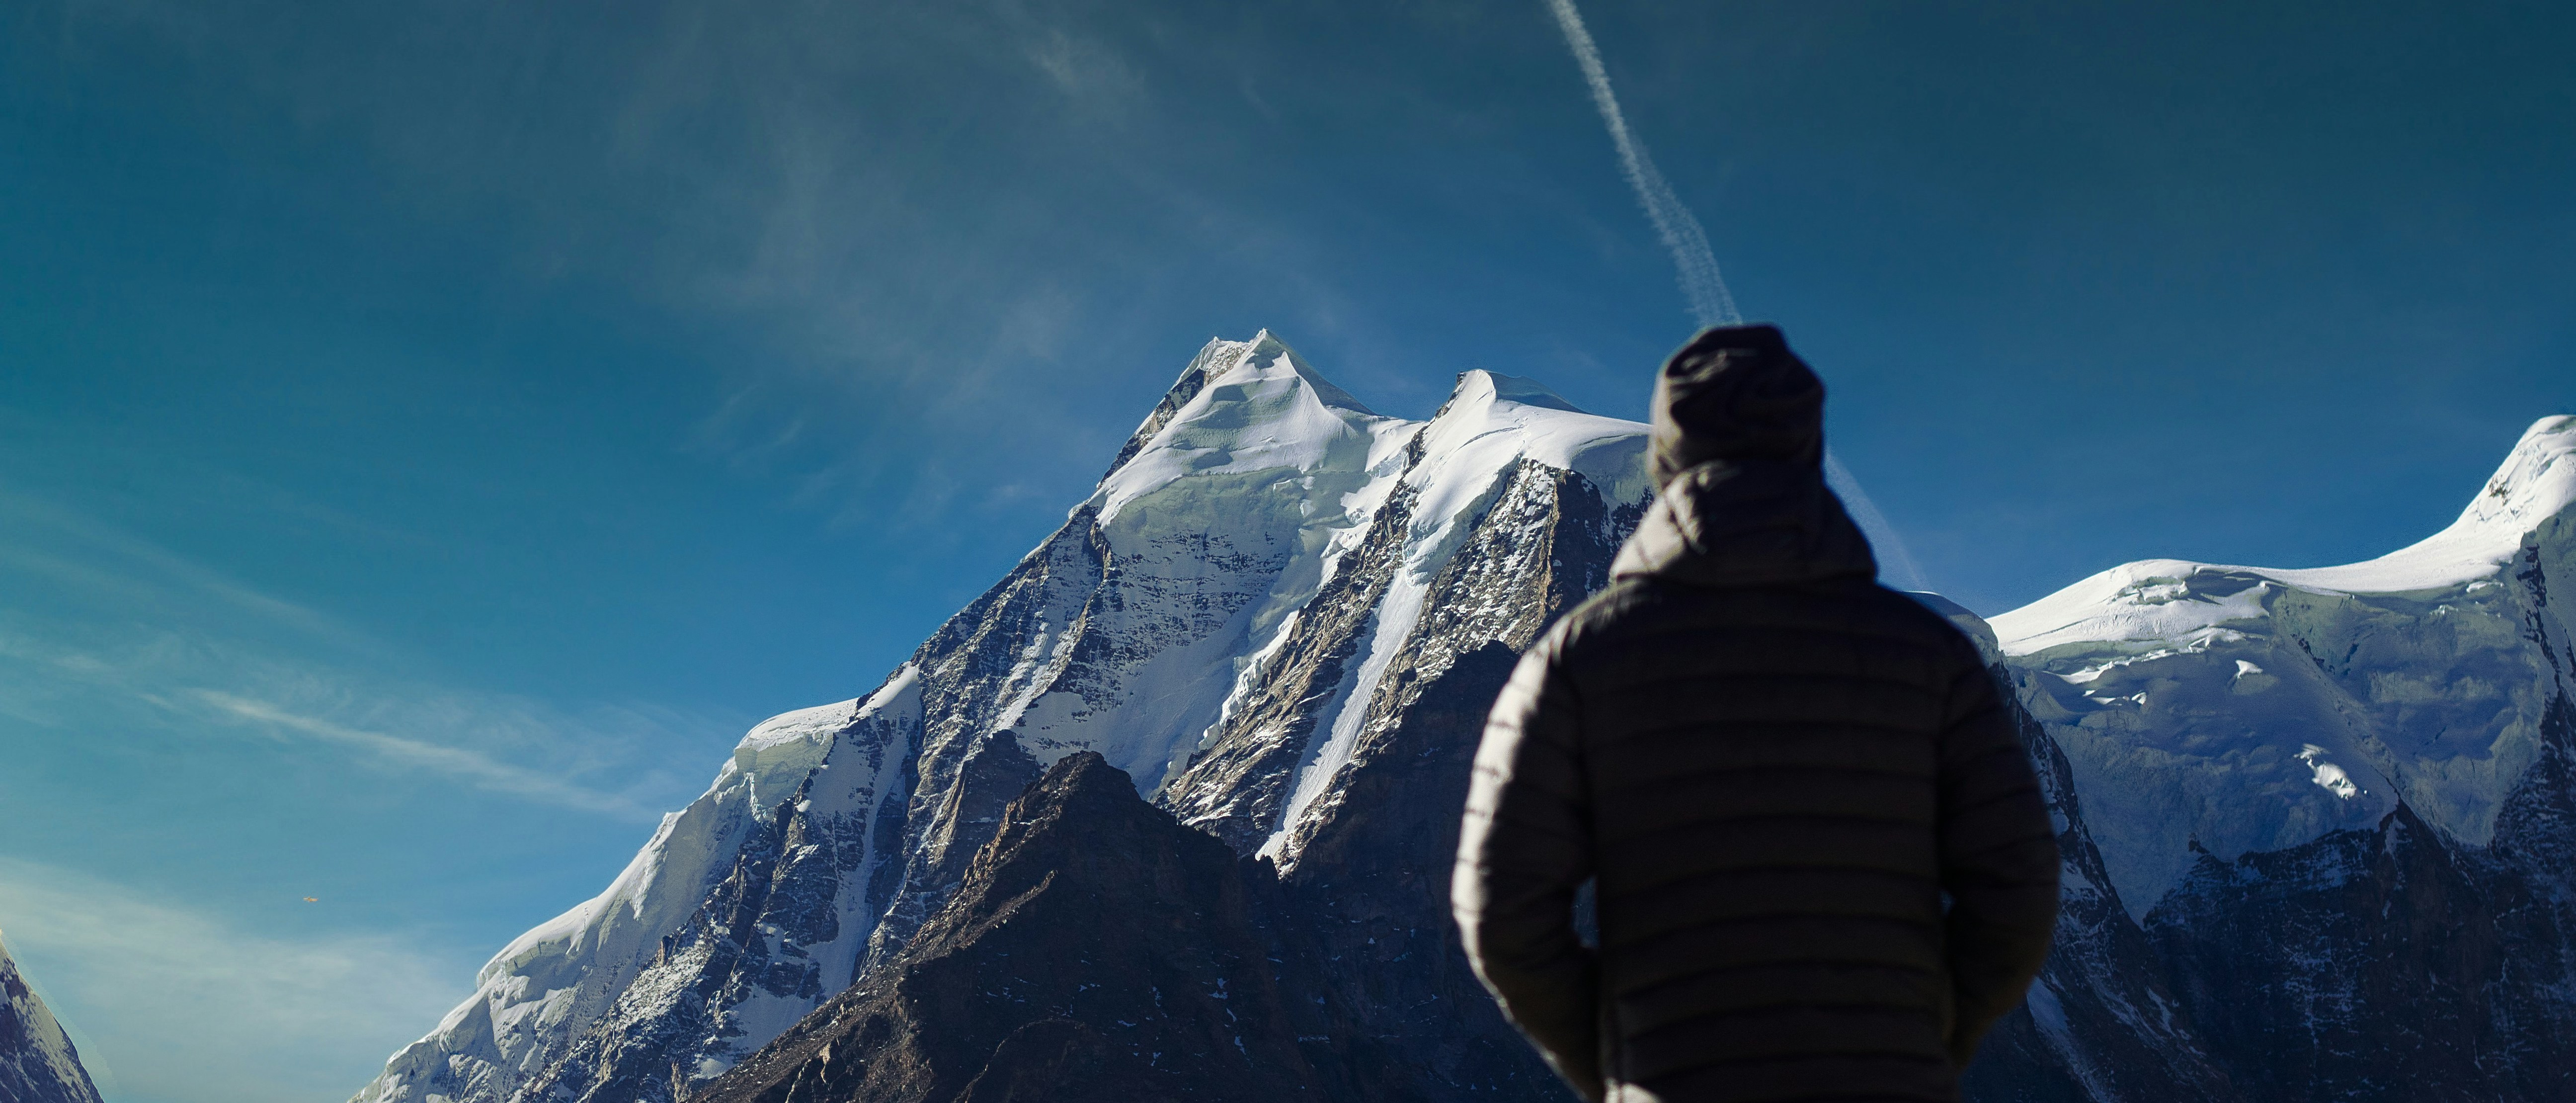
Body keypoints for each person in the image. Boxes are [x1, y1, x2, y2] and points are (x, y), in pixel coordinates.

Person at [1451, 325, 2059, 1103]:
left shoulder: (1580, 656)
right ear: (1809, 455)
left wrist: (1619, 1067)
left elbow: (1500, 911)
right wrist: (1928, 1042)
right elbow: (2019, 886)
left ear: (1663, 462)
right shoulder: (1930, 658)